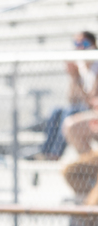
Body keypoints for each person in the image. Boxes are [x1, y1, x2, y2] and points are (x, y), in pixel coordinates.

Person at [29, 32, 97, 161]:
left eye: (85, 43)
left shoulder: (96, 67)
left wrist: (76, 78)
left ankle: (55, 154)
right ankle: (47, 152)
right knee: (56, 111)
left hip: (91, 110)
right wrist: (73, 78)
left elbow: (91, 102)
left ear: (93, 45)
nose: (80, 47)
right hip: (83, 107)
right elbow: (72, 99)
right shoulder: (81, 67)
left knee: (69, 113)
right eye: (77, 44)